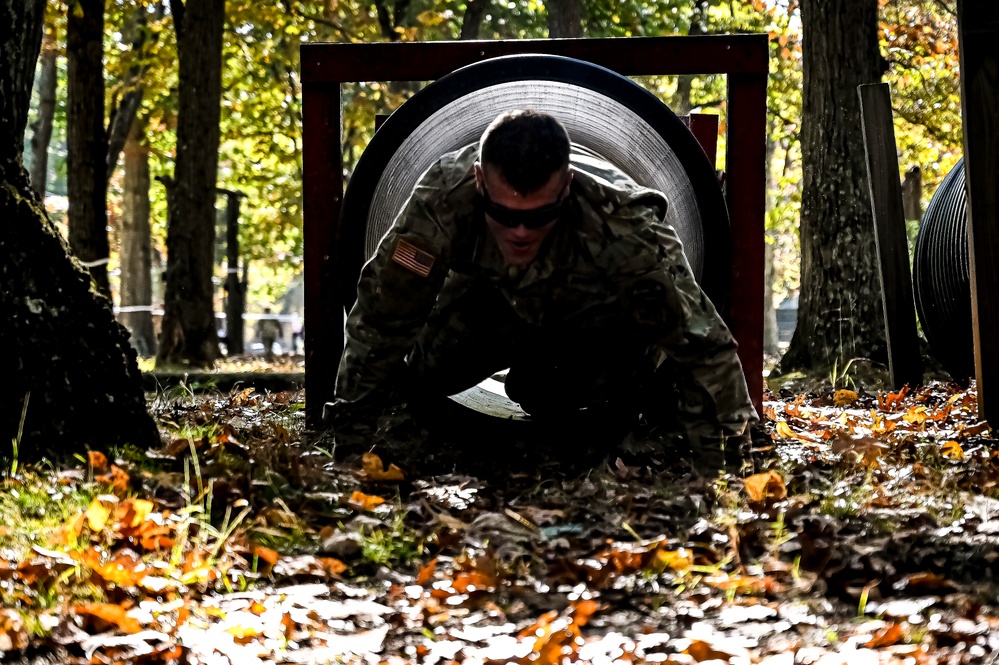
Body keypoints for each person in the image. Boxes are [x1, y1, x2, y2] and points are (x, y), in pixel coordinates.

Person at [327, 110, 758, 471]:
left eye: (539, 216)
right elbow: (380, 317)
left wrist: (730, 465)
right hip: (486, 304)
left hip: (588, 323)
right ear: (479, 182)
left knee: (544, 392)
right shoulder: (442, 198)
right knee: (423, 375)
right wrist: (349, 447)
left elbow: (700, 342)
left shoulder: (621, 220)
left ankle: (614, 408)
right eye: (504, 214)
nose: (520, 232)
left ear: (566, 186)